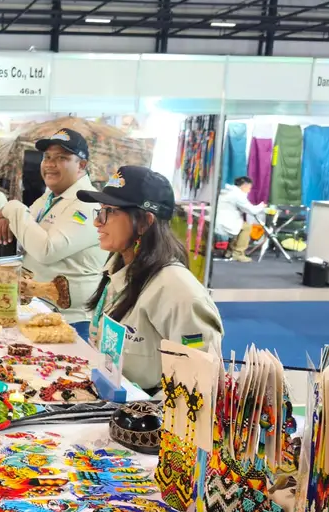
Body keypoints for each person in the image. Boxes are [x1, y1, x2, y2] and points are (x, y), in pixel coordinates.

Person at [77, 165, 224, 394]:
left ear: (145, 221)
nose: (98, 221)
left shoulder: (177, 291)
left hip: (145, 422)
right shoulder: (117, 269)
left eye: (110, 211)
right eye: (100, 210)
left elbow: (199, 385)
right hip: (108, 404)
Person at [0, 129, 104, 338]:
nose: (50, 164)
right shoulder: (48, 199)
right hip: (39, 312)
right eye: (47, 157)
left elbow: (47, 250)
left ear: (81, 165)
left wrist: (12, 208)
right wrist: (7, 221)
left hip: (71, 322)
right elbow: (25, 236)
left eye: (62, 158)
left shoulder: (87, 205)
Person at [215, 175, 266, 263]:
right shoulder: (238, 195)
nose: (249, 191)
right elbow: (252, 210)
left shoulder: (230, 191)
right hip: (225, 220)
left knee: (241, 226)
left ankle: (230, 251)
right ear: (244, 186)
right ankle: (238, 253)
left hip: (222, 218)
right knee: (246, 227)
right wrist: (262, 206)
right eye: (249, 188)